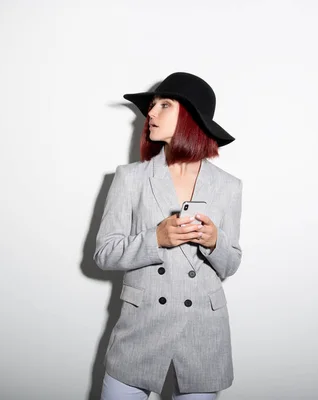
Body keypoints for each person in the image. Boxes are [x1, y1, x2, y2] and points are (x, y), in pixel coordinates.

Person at [94, 72, 243, 400]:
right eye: (151, 106)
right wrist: (155, 239)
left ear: (190, 117)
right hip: (140, 329)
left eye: (164, 105)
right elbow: (104, 253)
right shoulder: (130, 178)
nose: (150, 113)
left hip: (203, 334)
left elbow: (231, 263)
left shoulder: (228, 187)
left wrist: (215, 241)